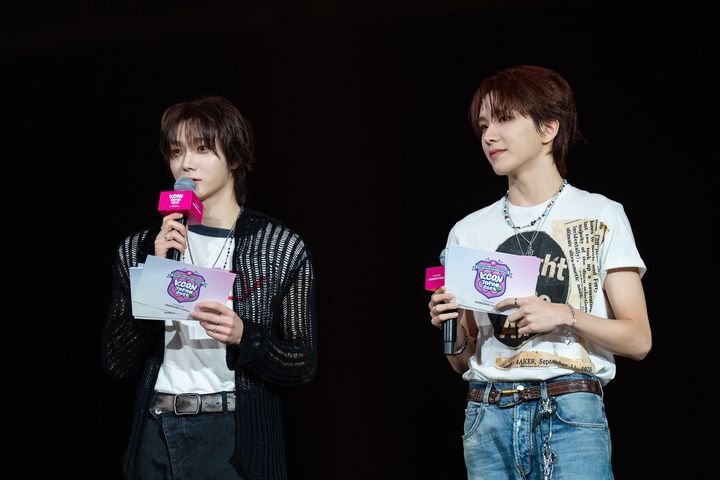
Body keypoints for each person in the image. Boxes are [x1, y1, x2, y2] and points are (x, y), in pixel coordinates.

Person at [428, 66, 651, 479]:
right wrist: (452, 329)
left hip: (569, 412)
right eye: (483, 125)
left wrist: (564, 315)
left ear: (548, 128)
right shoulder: (468, 231)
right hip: (487, 414)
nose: (489, 135)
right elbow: (462, 361)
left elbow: (638, 340)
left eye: (504, 119)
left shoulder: (601, 214)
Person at [102, 95, 317, 479]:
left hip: (232, 433)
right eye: (176, 151)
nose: (186, 163)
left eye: (202, 149)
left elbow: (301, 363)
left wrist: (244, 335)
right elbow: (117, 361)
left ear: (234, 157)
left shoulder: (279, 248)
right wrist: (155, 273)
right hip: (157, 429)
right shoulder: (140, 248)